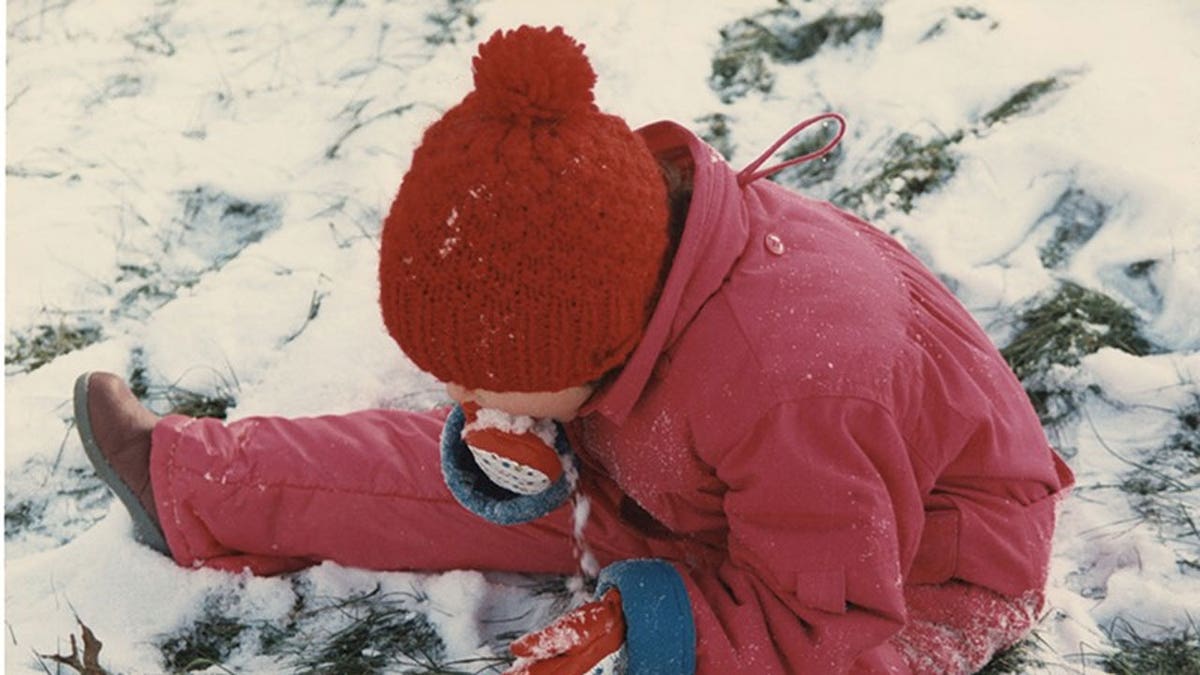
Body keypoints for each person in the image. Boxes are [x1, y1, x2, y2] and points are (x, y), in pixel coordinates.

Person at [74, 25, 1074, 675]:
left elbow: (826, 624)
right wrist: (514, 443)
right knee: (433, 470)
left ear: (586, 346)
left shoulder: (797, 389)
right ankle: (190, 485)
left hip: (910, 571)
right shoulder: (616, 268)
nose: (460, 391)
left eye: (482, 373)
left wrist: (647, 638)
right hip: (697, 480)